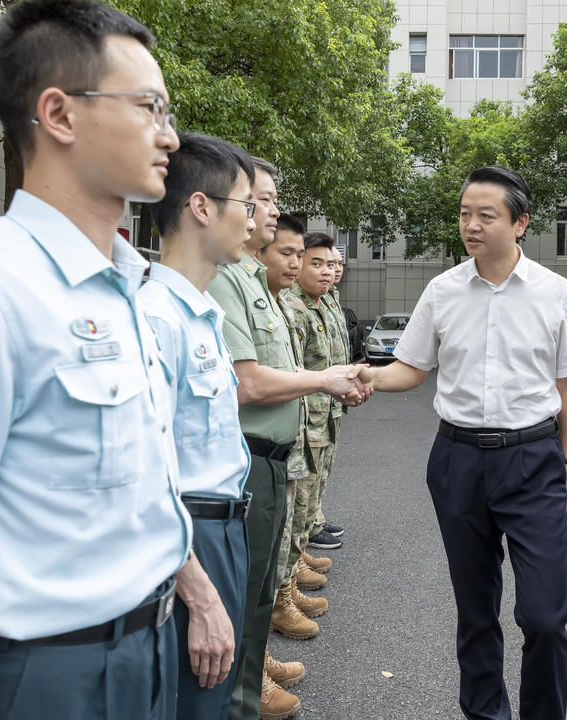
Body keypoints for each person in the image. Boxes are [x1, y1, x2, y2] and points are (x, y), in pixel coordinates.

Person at [0, 2, 207, 718]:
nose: (170, 137)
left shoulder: (125, 284)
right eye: (150, 107)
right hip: (43, 678)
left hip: (143, 656)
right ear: (59, 114)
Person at [354, 166, 567, 720]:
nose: (471, 224)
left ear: (520, 223)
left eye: (486, 215)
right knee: (476, 606)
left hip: (534, 459)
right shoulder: (442, 291)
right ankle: (486, 712)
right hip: (457, 459)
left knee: (543, 614)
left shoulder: (555, 293)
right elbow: (409, 369)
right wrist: (367, 377)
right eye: (465, 213)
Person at [209, 160, 364, 720]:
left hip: (287, 442)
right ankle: (242, 687)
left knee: (261, 575)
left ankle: (252, 669)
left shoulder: (256, 283)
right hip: (253, 454)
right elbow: (251, 380)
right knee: (246, 581)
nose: (273, 211)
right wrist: (328, 380)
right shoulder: (229, 279)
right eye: (263, 199)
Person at [140, 133, 260, 719]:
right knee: (190, 702)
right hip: (189, 540)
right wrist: (197, 588)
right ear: (202, 207)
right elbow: (144, 473)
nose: (256, 221)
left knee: (211, 702)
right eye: (248, 205)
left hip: (224, 530)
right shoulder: (156, 320)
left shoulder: (202, 314)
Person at [271, 232, 345, 641]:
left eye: (329, 264)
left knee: (308, 504)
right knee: (293, 510)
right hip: (302, 425)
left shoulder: (324, 302)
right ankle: (281, 596)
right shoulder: (293, 306)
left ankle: (292, 575)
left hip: (323, 418)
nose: (322, 270)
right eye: (313, 262)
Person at [308, 244, 349, 547]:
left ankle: (315, 518)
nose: (334, 269)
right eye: (323, 263)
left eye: (336, 263)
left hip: (331, 400)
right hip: (313, 403)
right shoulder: (302, 302)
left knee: (323, 468)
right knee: (308, 472)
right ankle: (309, 526)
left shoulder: (331, 299)